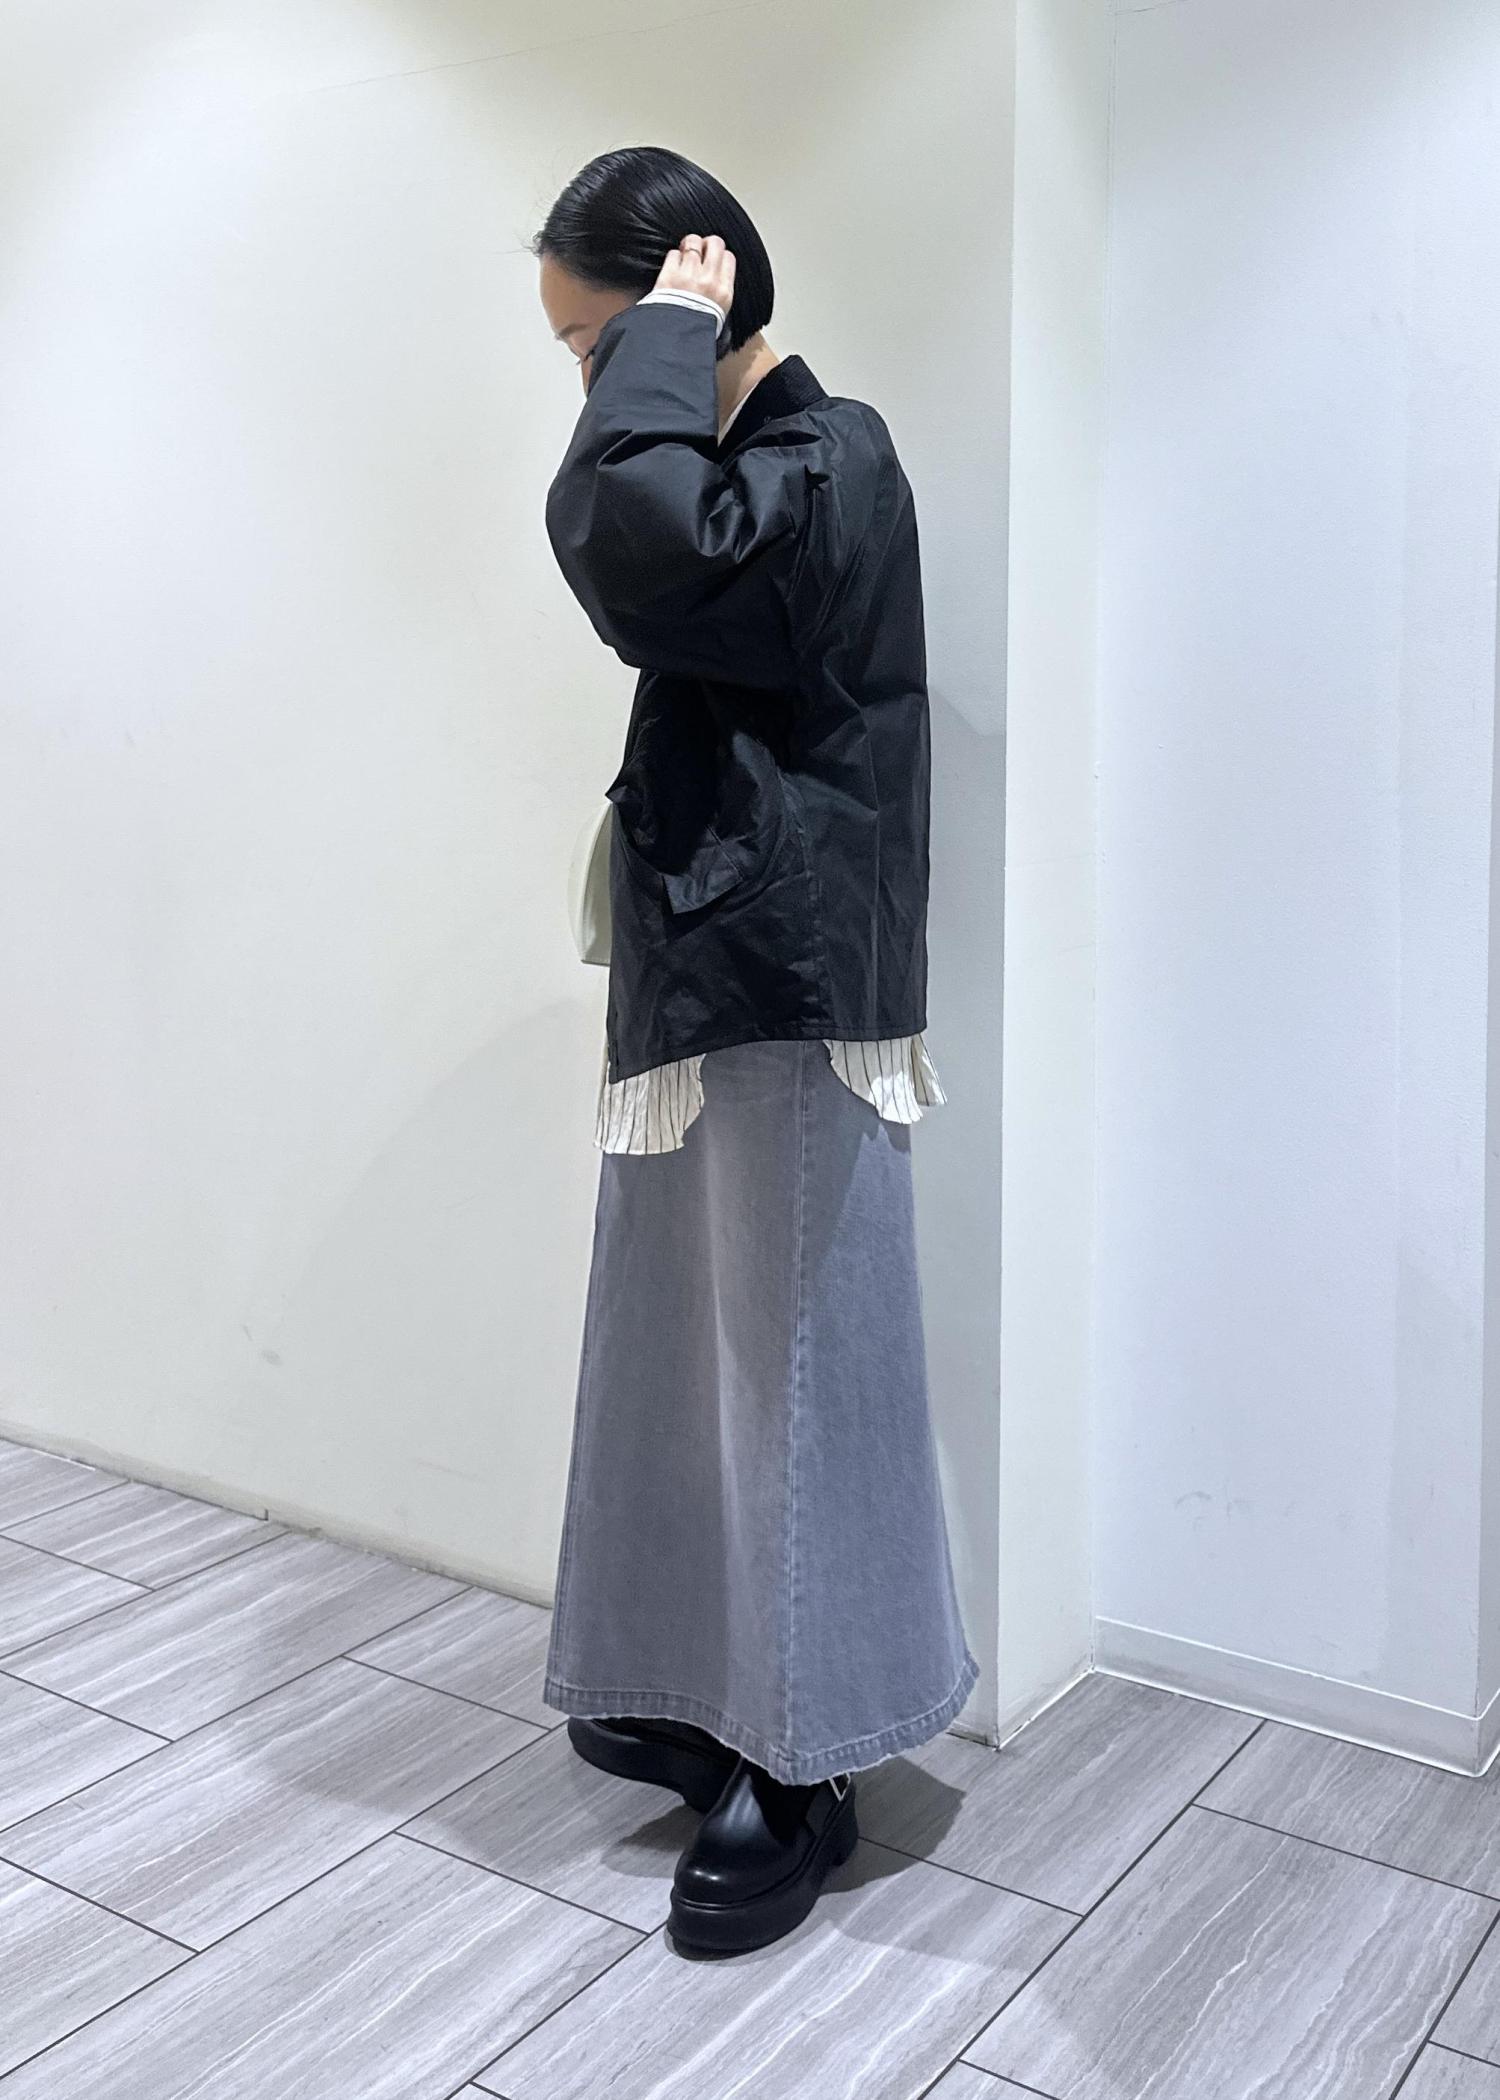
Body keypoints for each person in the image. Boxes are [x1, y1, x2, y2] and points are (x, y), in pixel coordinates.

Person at [531, 146, 978, 1960]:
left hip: (787, 981)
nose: (591, 390)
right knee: (681, 1356)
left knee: (795, 1371)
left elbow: (629, 545)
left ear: (690, 304)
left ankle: (808, 1761)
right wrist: (657, 355)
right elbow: (644, 538)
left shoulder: (828, 456)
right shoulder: (746, 471)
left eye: (599, 346)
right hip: (718, 967)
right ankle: (702, 1687)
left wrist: (663, 342)